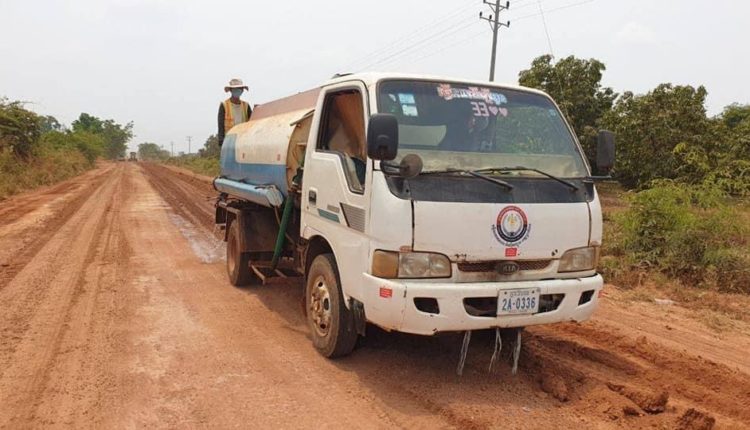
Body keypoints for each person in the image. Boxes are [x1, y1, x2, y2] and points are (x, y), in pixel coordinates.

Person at [217, 78, 252, 145]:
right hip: (229, 140)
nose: (237, 90)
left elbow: (251, 121)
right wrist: (221, 141)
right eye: (235, 89)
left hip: (243, 139)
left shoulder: (246, 106)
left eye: (239, 89)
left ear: (242, 90)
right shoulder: (224, 105)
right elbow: (220, 124)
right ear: (231, 90)